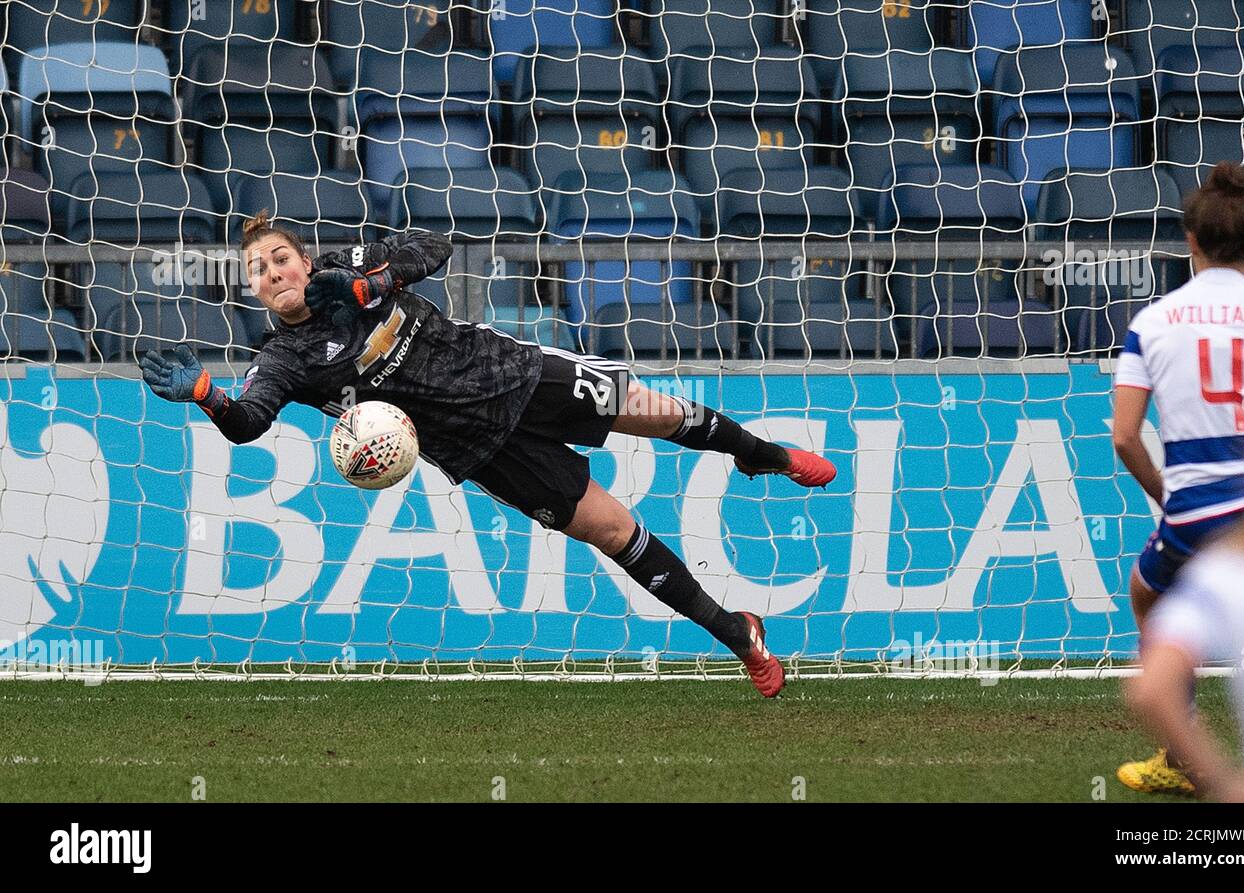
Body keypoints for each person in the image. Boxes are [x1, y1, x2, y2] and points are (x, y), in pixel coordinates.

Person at [138, 210, 837, 697]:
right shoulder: (284, 357)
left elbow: (434, 246)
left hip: (517, 374)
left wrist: (372, 284)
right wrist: (206, 392)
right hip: (482, 449)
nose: (273, 271)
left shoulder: (347, 265)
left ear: (301, 257)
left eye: (279, 256)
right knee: (614, 531)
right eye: (259, 270)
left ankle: (762, 454)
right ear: (253, 290)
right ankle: (739, 635)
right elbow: (249, 420)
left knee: (663, 413)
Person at [1111, 161, 1244, 793]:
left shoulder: (1152, 321)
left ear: (1190, 240)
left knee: (1147, 594)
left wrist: (1170, 497)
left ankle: (1181, 754)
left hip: (1194, 510)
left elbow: (1124, 435)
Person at [1126, 384, 1244, 803]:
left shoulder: (1227, 573)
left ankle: (1178, 764)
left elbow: (1151, 689)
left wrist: (1226, 784)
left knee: (1145, 589)